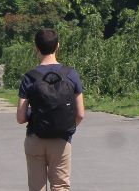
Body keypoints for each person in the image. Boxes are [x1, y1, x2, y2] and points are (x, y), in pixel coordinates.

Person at [17, 28, 84, 191]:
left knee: (36, 187)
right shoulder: (71, 74)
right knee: (60, 186)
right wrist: (65, 127)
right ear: (58, 46)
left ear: (36, 48)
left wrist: (35, 114)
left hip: (35, 138)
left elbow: (20, 117)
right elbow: (80, 114)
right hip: (61, 140)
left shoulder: (30, 77)